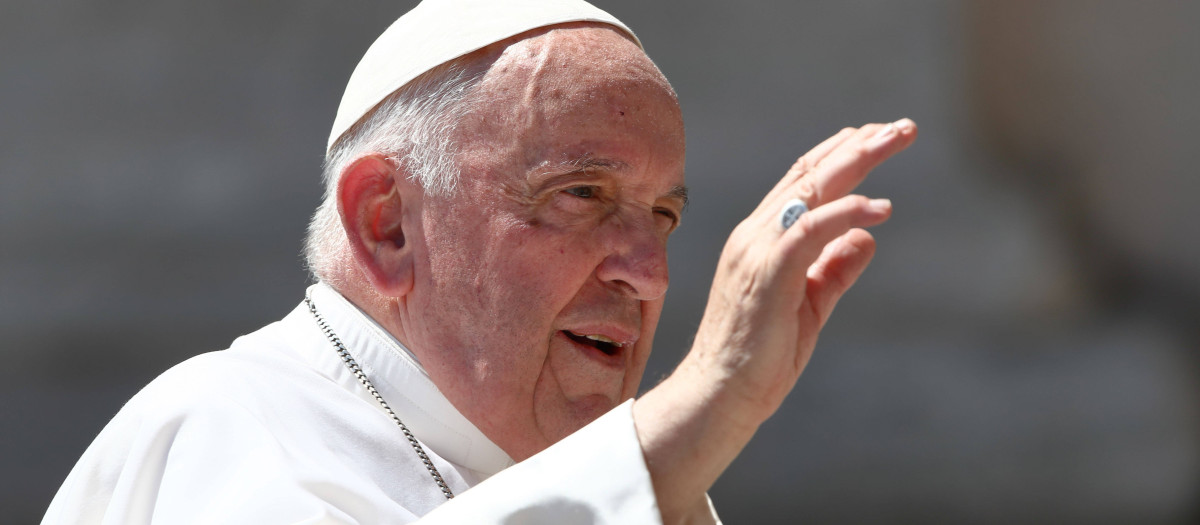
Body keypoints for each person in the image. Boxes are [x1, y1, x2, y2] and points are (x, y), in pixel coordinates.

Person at [42, 0, 917, 523]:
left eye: (663, 217)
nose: (646, 271)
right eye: (580, 195)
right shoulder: (222, 428)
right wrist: (709, 398)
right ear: (386, 224)